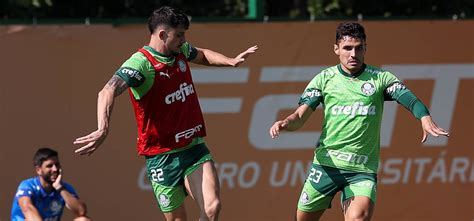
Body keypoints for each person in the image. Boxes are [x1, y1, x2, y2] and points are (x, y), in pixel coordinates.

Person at [73, 6, 257, 221]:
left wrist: (230, 61)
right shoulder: (141, 64)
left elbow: (203, 54)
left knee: (212, 208)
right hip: (161, 157)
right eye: (179, 35)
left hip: (193, 148)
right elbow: (108, 90)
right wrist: (103, 128)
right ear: (162, 34)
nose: (183, 40)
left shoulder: (180, 50)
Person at [269, 22, 449, 221]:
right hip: (326, 166)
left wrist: (423, 116)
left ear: (365, 48)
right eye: (347, 48)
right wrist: (285, 123)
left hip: (361, 171)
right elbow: (299, 117)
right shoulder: (324, 79)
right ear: (336, 49)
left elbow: (409, 98)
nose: (353, 54)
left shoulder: (380, 78)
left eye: (358, 48)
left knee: (358, 218)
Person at [11, 148, 90, 221]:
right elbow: (27, 209)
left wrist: (59, 188)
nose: (55, 169)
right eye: (49, 166)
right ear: (38, 170)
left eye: (57, 164)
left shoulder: (64, 187)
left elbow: (81, 211)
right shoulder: (28, 186)